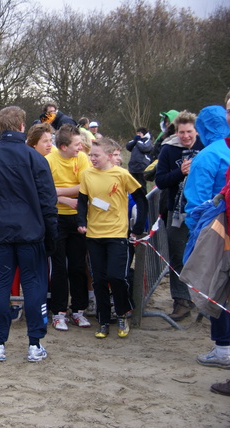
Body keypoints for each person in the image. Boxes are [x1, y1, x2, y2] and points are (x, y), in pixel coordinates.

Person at [0, 106, 57, 363]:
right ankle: (34, 343)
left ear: (0, 127)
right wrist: (51, 236)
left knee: (2, 286)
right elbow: (48, 202)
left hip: (0, 232)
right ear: (21, 126)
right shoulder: (35, 158)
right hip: (30, 233)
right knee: (32, 285)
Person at [77, 138, 147, 339]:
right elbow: (83, 201)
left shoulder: (122, 174)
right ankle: (103, 320)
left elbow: (142, 199)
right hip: (94, 235)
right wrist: (81, 221)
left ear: (109, 156)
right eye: (90, 155)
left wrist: (138, 227)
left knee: (116, 277)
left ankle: (123, 313)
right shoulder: (87, 174)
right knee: (98, 279)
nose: (92, 159)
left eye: (96, 155)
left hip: (117, 234)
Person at [184, 99, 230, 375]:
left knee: (217, 287)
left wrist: (196, 234)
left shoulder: (208, 155)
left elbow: (197, 202)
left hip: (215, 232)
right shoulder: (221, 150)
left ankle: (223, 347)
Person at [155, 111, 203, 320]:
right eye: (181, 132)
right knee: (177, 256)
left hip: (202, 210)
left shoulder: (205, 147)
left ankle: (204, 299)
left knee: (203, 256)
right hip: (175, 211)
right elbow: (160, 181)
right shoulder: (168, 149)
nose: (185, 136)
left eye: (189, 132)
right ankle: (181, 301)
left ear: (196, 131)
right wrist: (180, 173)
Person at [46, 124, 92, 331]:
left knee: (77, 265)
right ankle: (59, 312)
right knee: (59, 267)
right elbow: (44, 191)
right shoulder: (48, 161)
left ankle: (79, 310)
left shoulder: (82, 158)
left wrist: (58, 192)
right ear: (63, 147)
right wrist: (64, 198)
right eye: (76, 144)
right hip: (56, 218)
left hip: (78, 218)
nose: (81, 147)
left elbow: (86, 186)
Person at [125, 127, 153, 194]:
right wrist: (135, 140)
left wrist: (139, 141)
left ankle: (144, 201)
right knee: (132, 186)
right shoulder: (135, 141)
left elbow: (145, 148)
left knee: (141, 186)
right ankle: (134, 201)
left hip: (142, 167)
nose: (138, 135)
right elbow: (128, 146)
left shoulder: (147, 140)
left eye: (139, 133)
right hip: (133, 167)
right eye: (137, 133)